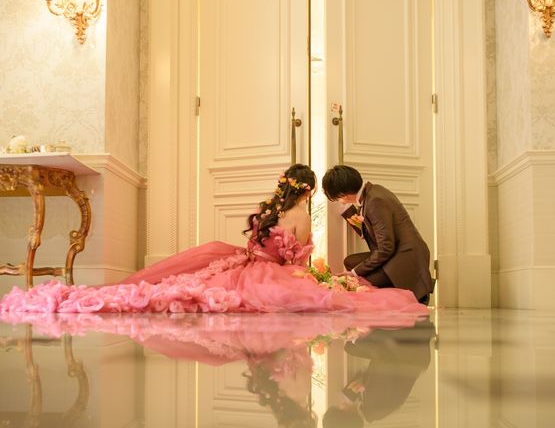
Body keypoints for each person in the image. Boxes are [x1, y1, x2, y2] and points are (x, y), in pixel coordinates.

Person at [0, 164, 429, 315]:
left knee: (188, 278)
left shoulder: (271, 209)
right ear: (309, 191)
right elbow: (292, 263)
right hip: (272, 273)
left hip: (244, 261)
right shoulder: (302, 215)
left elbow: (263, 246)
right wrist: (312, 275)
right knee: (315, 295)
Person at [322, 165, 434, 304]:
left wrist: (354, 273)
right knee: (350, 262)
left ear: (342, 194)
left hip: (404, 257)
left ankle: (414, 294)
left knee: (358, 281)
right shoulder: (374, 191)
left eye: (337, 198)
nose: (339, 201)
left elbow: (386, 248)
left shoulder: (375, 201)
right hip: (395, 252)